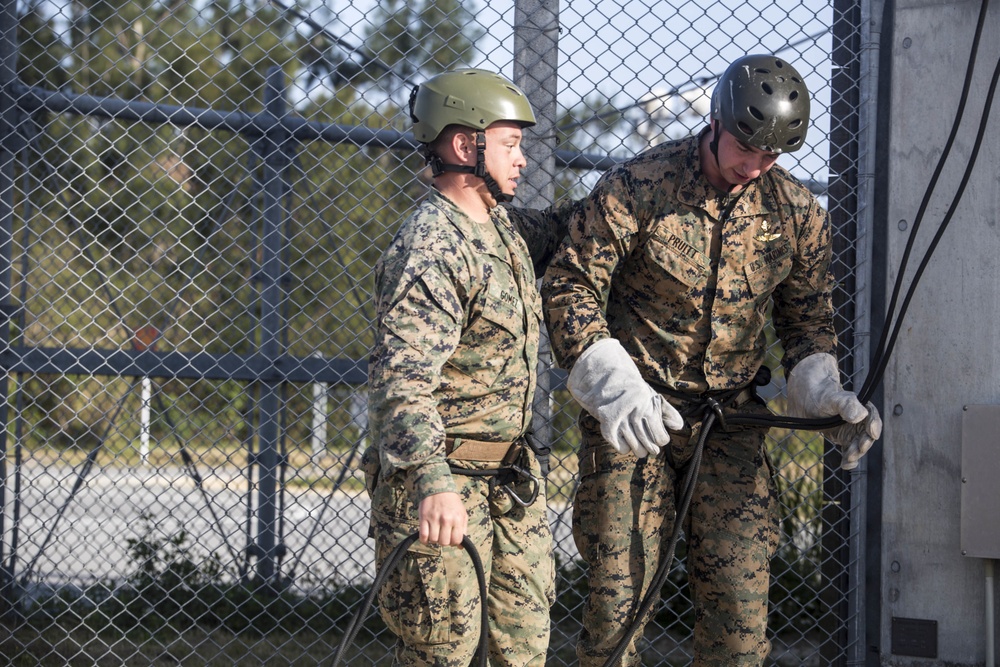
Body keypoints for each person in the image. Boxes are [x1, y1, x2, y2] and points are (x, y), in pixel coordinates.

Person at [541, 54, 883, 666]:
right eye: (746, 148)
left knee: (739, 613)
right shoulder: (641, 185)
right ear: (717, 123)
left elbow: (806, 323)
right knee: (617, 604)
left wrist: (820, 387)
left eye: (772, 157)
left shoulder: (796, 213)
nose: (755, 167)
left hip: (731, 427)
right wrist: (608, 376)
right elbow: (570, 282)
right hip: (636, 420)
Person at [364, 68, 573, 667]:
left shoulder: (501, 228)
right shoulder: (432, 245)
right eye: (511, 144)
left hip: (509, 485)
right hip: (446, 487)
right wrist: (432, 482)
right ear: (465, 146)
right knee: (443, 655)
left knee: (523, 651)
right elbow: (401, 380)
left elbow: (571, 226)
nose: (524, 160)